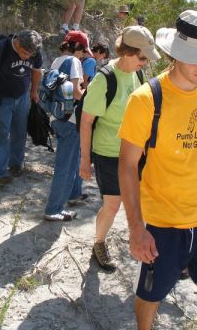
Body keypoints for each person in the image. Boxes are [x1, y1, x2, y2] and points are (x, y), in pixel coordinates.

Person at [118, 10, 197, 330]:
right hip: (162, 223)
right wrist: (136, 228)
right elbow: (128, 166)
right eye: (195, 58)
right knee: (151, 295)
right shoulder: (146, 100)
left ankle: (189, 267)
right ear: (175, 54)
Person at [79, 26, 161, 271]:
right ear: (127, 52)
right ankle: (99, 243)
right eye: (142, 57)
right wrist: (85, 161)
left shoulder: (137, 74)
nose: (145, 62)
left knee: (142, 203)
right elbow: (86, 122)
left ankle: (143, 243)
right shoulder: (105, 79)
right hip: (110, 153)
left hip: (136, 152)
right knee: (113, 205)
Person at [0, 30, 43, 186]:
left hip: (22, 97)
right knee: (0, 135)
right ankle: (0, 173)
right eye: (25, 53)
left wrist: (33, 91)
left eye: (30, 55)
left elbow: (37, 71)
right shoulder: (1, 49)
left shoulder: (34, 51)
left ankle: (15, 166)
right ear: (18, 42)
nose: (27, 57)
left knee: (20, 132)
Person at [44, 31, 94, 221]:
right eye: (83, 51)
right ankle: (53, 209)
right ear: (77, 47)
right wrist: (89, 98)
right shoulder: (73, 62)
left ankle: (70, 196)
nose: (83, 56)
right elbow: (76, 93)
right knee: (64, 166)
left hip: (56, 118)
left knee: (72, 162)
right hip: (71, 120)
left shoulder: (56, 61)